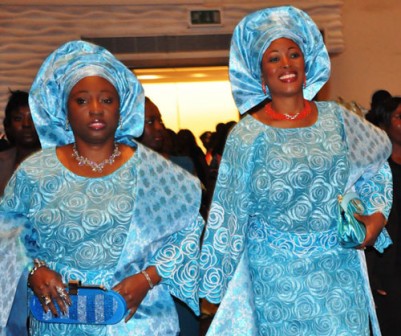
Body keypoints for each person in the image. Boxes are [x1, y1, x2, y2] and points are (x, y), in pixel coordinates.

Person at [199, 6, 392, 336]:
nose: (286, 64)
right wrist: (212, 284)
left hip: (338, 273)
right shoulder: (247, 135)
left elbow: (378, 167)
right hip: (274, 280)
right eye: (273, 58)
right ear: (259, 73)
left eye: (293, 54)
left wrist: (376, 218)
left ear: (308, 62)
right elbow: (228, 214)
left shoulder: (338, 119)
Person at [0, 40, 204, 336]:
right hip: (60, 319)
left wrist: (147, 279)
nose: (96, 110)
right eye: (82, 101)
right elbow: (7, 234)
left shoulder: (153, 170)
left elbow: (189, 231)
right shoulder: (36, 172)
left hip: (136, 320)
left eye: (107, 100)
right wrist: (34, 271)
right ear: (63, 108)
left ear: (121, 108)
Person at [137, 96, 200, 336]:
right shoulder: (123, 172)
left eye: (159, 120)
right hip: (140, 274)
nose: (159, 128)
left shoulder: (182, 165)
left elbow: (194, 221)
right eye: (150, 122)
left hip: (179, 270)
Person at [365, 97, 401, 335]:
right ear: (385, 124)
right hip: (390, 270)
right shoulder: (374, 170)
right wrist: (371, 276)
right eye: (400, 117)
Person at [0, 90, 41, 196]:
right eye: (18, 118)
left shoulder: (61, 162)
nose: (26, 124)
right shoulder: (2, 161)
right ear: (8, 125)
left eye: (33, 118)